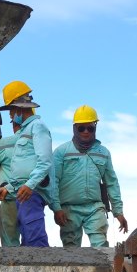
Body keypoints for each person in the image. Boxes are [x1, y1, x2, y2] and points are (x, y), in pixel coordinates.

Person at [52, 105, 128, 247]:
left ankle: (104, 270)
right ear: (75, 128)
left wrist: (118, 212)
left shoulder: (103, 152)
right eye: (81, 128)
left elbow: (111, 183)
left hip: (95, 208)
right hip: (69, 209)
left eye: (90, 128)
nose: (86, 132)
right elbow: (53, 182)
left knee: (101, 248)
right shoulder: (61, 152)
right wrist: (57, 208)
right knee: (71, 249)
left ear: (95, 127)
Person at [0, 80, 58, 247]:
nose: (10, 115)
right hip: (23, 193)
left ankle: (42, 271)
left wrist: (29, 185)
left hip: (32, 193)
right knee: (27, 240)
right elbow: (23, 168)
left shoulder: (38, 127)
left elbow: (45, 162)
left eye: (11, 110)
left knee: (34, 239)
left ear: (20, 108)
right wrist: (7, 188)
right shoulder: (24, 132)